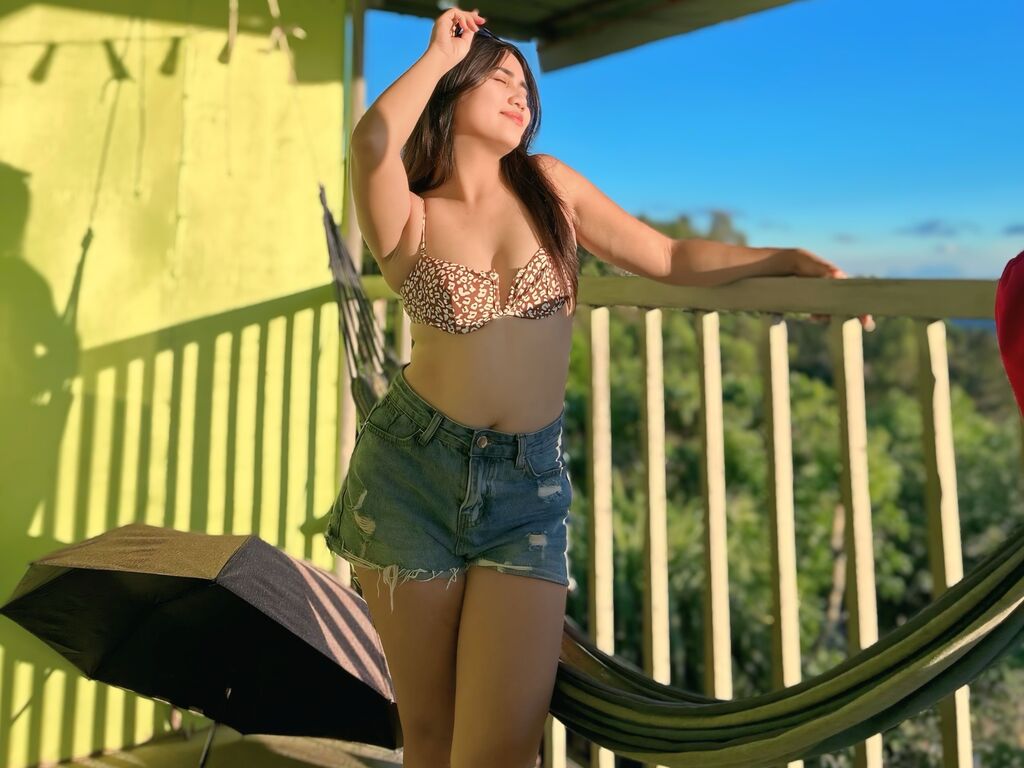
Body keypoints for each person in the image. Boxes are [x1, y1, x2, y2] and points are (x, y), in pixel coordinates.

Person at [327, 7, 871, 767]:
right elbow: (371, 143)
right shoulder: (410, 216)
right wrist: (439, 53)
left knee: (503, 750)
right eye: (499, 78)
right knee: (430, 735)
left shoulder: (550, 186)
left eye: (525, 85)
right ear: (452, 89)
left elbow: (668, 257)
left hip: (525, 490)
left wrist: (783, 260)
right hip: (409, 476)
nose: (520, 93)